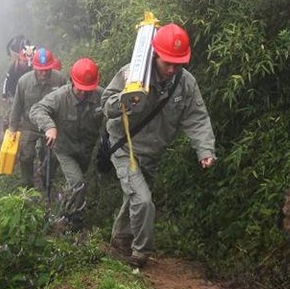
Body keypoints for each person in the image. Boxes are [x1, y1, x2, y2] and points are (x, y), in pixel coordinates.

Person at [101, 23, 216, 268]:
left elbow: (196, 117)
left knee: (134, 197)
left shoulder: (185, 84)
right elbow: (105, 105)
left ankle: (120, 239)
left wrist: (204, 149)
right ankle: (139, 256)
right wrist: (124, 100)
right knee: (142, 200)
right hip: (125, 147)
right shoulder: (131, 75)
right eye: (167, 63)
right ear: (155, 55)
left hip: (152, 152)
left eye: (178, 63)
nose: (172, 69)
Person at [30, 58, 104, 232]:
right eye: (81, 89)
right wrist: (49, 127)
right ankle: (73, 223)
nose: (85, 93)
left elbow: (117, 107)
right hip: (65, 149)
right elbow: (37, 110)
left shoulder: (101, 95)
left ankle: (64, 211)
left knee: (75, 184)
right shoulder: (59, 96)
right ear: (72, 81)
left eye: (89, 89)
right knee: (78, 183)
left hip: (85, 151)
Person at [9, 47, 66, 188]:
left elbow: (66, 103)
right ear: (34, 67)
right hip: (30, 124)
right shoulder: (24, 82)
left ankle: (47, 178)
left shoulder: (60, 79)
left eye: (47, 69)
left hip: (52, 124)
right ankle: (27, 184)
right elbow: (17, 106)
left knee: (52, 157)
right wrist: (13, 127)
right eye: (41, 69)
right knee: (26, 155)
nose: (44, 72)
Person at [1, 39, 36, 131]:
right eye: (23, 61)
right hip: (13, 92)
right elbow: (7, 80)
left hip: (26, 93)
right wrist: (4, 94)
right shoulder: (13, 68)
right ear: (19, 60)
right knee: (12, 111)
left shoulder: (31, 69)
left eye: (27, 61)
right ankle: (7, 129)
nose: (25, 63)